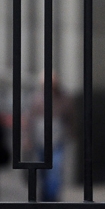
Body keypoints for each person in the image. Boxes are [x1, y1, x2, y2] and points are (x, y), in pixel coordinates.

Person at [26, 72, 73, 201]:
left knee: (55, 170)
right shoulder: (37, 98)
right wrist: (28, 138)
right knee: (43, 170)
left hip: (57, 139)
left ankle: (52, 198)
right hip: (40, 139)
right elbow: (30, 119)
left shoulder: (63, 98)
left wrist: (68, 133)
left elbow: (69, 117)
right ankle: (46, 196)